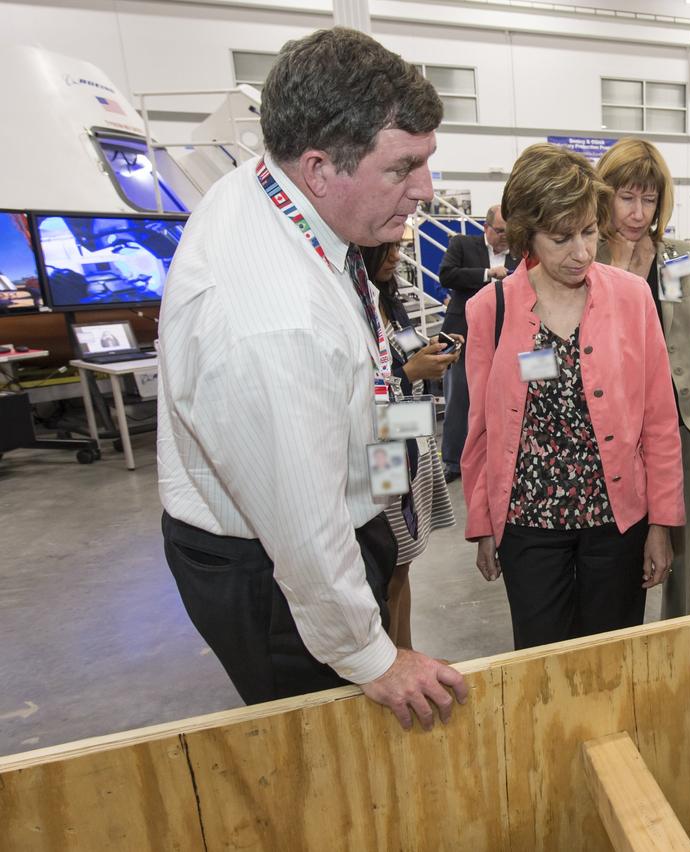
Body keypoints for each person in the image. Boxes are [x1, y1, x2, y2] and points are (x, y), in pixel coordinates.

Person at [156, 27, 468, 730]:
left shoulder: (274, 190)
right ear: (320, 166)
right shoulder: (272, 321)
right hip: (274, 569)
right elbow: (301, 526)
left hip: (320, 512)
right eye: (403, 168)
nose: (425, 190)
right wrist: (371, 656)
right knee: (329, 744)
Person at [461, 143, 684, 650]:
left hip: (617, 518)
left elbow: (659, 420)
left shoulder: (632, 298)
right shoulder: (488, 310)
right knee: (541, 662)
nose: (581, 252)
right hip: (527, 521)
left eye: (588, 232)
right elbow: (480, 429)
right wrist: (483, 523)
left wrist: (662, 523)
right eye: (561, 238)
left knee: (612, 656)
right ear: (527, 236)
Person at [595, 138, 690, 620]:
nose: (638, 211)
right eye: (627, 197)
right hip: (609, 433)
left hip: (681, 431)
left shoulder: (683, 260)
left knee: (681, 565)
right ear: (604, 195)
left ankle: (677, 655)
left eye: (649, 198)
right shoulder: (585, 256)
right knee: (618, 557)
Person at [362, 241, 460, 648]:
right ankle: (392, 658)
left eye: (398, 249)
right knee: (388, 562)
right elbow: (360, 390)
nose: (395, 257)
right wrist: (408, 373)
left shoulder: (388, 299)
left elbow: (404, 350)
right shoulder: (352, 305)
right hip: (381, 448)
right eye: (387, 249)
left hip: (411, 438)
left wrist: (432, 352)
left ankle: (406, 650)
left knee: (405, 561)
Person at [439, 205, 517, 482]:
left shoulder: (518, 256)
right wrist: (487, 274)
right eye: (500, 231)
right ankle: (452, 461)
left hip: (504, 333)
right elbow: (446, 275)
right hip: (462, 332)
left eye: (510, 231)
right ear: (486, 228)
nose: (506, 237)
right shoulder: (462, 244)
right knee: (458, 398)